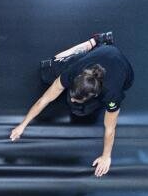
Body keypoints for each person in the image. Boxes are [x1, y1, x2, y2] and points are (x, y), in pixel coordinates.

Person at [9, 29, 134, 176]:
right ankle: (97, 41)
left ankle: (100, 46)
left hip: (121, 68)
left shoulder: (111, 94)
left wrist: (106, 157)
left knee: (79, 111)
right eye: (72, 95)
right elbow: (45, 99)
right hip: (103, 50)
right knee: (49, 69)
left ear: (93, 95)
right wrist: (22, 125)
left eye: (76, 98)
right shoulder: (74, 71)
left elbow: (110, 129)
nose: (71, 100)